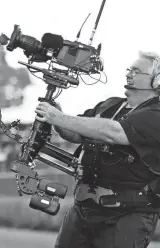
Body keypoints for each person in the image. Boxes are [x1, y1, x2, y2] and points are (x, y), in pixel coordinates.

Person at [34, 51, 160, 248]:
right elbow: (75, 134)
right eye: (129, 70)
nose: (129, 74)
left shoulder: (156, 112)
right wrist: (56, 113)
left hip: (128, 214)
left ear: (157, 80)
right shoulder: (111, 104)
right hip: (84, 207)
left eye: (137, 71)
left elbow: (114, 132)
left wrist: (58, 117)